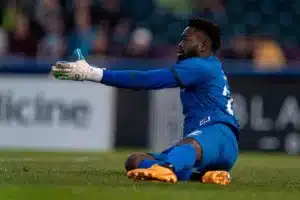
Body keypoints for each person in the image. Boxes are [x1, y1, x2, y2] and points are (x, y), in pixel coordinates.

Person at [51, 17, 239, 185]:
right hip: (211, 144)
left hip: (217, 134)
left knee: (188, 146)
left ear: (203, 46)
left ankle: (168, 168)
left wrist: (93, 73)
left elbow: (147, 80)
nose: (180, 44)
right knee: (134, 161)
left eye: (186, 40)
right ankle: (205, 176)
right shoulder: (206, 66)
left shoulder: (200, 66)